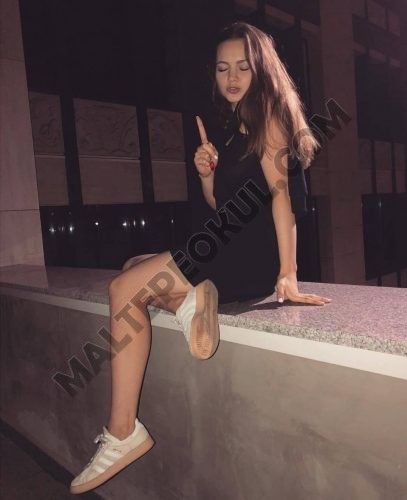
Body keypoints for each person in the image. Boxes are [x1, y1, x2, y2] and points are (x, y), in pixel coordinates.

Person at [69, 20, 332, 495]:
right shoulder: (233, 129)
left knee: (122, 289)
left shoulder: (269, 118)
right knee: (133, 267)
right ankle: (192, 302)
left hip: (242, 255)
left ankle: (123, 432)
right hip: (223, 240)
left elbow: (281, 199)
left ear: (262, 70)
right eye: (222, 68)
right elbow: (220, 204)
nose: (231, 77)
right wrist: (207, 173)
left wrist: (287, 274)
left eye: (243, 67)